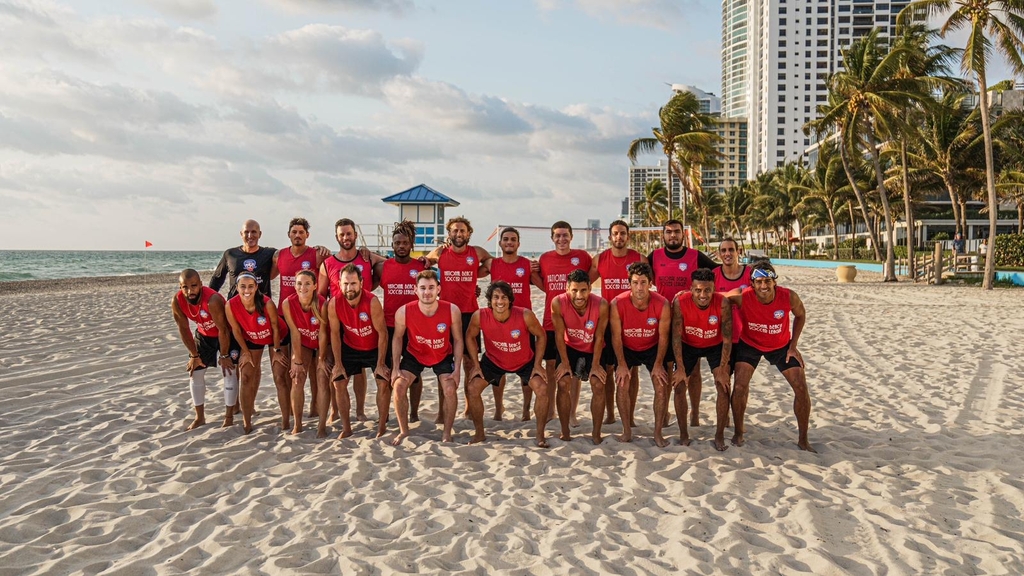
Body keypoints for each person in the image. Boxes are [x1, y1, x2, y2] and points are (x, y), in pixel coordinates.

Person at [727, 261, 815, 452]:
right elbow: (716, 297)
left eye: (767, 281)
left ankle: (803, 440)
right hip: (749, 344)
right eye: (759, 282)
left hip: (780, 346)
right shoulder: (742, 297)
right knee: (740, 386)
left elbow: (801, 315)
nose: (764, 286)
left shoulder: (789, 296)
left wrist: (793, 345)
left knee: (801, 386)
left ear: (775, 281)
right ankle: (738, 433)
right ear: (752, 283)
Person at [649, 219, 719, 426]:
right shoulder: (654, 256)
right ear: (663, 235)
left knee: (693, 371)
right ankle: (665, 414)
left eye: (677, 231)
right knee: (666, 370)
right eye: (669, 232)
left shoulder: (696, 256)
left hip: (690, 321)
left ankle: (694, 413)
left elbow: (718, 273)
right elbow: (639, 277)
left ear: (683, 234)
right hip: (664, 321)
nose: (673, 235)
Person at [464, 281, 550, 447]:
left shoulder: (525, 315)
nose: (500, 301)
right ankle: (479, 434)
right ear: (490, 300)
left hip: (524, 361)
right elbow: (469, 336)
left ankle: (540, 436)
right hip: (493, 361)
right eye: (496, 297)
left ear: (510, 300)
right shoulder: (480, 316)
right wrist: (476, 364)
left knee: (542, 388)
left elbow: (541, 335)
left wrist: (538, 364)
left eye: (504, 297)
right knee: (473, 388)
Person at [426, 217, 492, 422]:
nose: (458, 234)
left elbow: (492, 264)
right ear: (449, 234)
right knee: (444, 365)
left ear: (468, 233)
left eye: (462, 230)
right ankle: (442, 411)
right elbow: (425, 262)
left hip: (470, 315)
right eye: (455, 231)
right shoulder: (441, 252)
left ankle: (469, 408)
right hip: (446, 314)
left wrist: (475, 276)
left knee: (470, 364)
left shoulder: (476, 252)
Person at [319, 218, 386, 423]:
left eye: (349, 233)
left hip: (363, 317)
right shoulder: (328, 263)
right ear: (336, 237)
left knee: (360, 372)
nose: (346, 237)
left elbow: (388, 264)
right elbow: (321, 295)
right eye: (342, 234)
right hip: (339, 320)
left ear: (355, 235)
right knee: (336, 367)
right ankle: (335, 411)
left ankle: (360, 410)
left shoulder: (367, 257)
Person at [390, 270, 464, 445]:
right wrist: (395, 368)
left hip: (442, 354)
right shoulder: (404, 312)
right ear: (415, 290)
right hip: (415, 354)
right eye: (423, 288)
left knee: (450, 389)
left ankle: (447, 433)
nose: (427, 292)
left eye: (431, 287)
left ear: (438, 289)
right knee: (398, 387)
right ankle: (404, 431)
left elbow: (458, 339)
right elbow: (397, 338)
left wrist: (457, 369)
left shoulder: (452, 310)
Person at [534, 221, 593, 425]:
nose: (561, 239)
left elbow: (591, 276)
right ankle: (551, 410)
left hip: (576, 323)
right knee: (551, 366)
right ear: (552, 238)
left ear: (571, 236)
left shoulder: (582, 257)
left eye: (565, 235)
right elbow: (540, 281)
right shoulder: (544, 259)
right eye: (557, 235)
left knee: (574, 370)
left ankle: (571, 413)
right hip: (550, 321)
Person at [591, 219, 645, 427]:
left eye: (623, 233)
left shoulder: (639, 258)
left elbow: (650, 284)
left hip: (632, 321)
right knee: (608, 369)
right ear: (610, 236)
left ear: (628, 236)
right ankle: (610, 414)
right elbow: (582, 284)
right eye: (615, 233)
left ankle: (629, 416)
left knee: (632, 371)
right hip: (607, 321)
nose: (619, 237)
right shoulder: (600, 259)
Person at [608, 262, 670, 443]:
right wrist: (621, 364)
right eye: (635, 283)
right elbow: (616, 337)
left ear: (650, 283)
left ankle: (657, 432)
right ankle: (626, 430)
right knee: (622, 383)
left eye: (643, 282)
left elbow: (664, 337)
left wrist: (658, 364)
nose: (639, 287)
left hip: (652, 347)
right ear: (629, 284)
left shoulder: (662, 304)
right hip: (627, 347)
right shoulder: (617, 303)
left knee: (661, 385)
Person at [273, 217, 328, 420]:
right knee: (287, 368)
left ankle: (315, 408)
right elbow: (267, 276)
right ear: (289, 234)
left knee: (314, 370)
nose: (297, 235)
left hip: (310, 315)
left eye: (301, 232)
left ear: (307, 235)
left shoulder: (317, 254)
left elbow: (330, 270)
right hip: (284, 315)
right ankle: (290, 412)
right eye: (294, 232)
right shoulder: (278, 255)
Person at [373, 220, 428, 423]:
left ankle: (413, 414)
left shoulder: (421, 267)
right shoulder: (382, 267)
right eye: (397, 243)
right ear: (392, 245)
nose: (401, 246)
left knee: (415, 374)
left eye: (405, 243)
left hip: (415, 328)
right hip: (389, 326)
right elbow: (365, 287)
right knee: (387, 372)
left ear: (411, 244)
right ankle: (386, 414)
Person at [672, 268, 733, 450]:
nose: (703, 295)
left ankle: (719, 435)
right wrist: (680, 368)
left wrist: (723, 369)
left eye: (707, 290)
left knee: (723, 387)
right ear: (691, 289)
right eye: (698, 290)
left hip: (714, 345)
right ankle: (683, 433)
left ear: (714, 288)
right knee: (679, 386)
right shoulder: (680, 302)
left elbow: (727, 339)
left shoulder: (722, 303)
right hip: (688, 345)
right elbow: (676, 337)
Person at [326, 265, 390, 439]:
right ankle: (347, 428)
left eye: (353, 283)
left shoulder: (372, 301)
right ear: (339, 284)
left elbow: (383, 333)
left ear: (361, 283)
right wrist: (338, 363)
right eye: (346, 284)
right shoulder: (334, 303)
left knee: (383, 381)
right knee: (338, 382)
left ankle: (382, 426)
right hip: (351, 346)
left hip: (374, 347)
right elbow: (334, 334)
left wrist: (380, 363)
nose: (349, 288)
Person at [171, 269, 239, 430]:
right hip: (204, 335)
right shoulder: (177, 301)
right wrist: (193, 355)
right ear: (180, 287)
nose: (190, 291)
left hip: (226, 334)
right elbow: (183, 329)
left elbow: (223, 329)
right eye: (185, 287)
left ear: (201, 284)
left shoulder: (212, 300)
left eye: (194, 286)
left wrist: (224, 355)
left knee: (229, 372)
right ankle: (199, 417)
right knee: (195, 372)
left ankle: (229, 417)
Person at [224, 273, 288, 434]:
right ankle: (247, 422)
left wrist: (277, 350)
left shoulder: (267, 303)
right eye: (243, 286)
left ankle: (286, 422)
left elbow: (275, 327)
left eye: (251, 286)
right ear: (236, 287)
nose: (247, 290)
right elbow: (236, 330)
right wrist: (245, 352)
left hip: (276, 337)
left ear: (256, 287)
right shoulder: (231, 305)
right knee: (246, 377)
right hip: (252, 337)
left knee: (279, 377)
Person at [551, 269, 609, 444]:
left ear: (590, 288)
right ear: (567, 289)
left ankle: (596, 433)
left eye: (583, 290)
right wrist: (565, 363)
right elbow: (559, 335)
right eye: (574, 290)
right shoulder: (558, 303)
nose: (579, 295)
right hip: (570, 347)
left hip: (593, 347)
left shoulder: (601, 304)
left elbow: (599, 337)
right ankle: (565, 431)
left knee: (598, 384)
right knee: (563, 382)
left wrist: (596, 365)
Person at [485, 226, 535, 421]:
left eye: (513, 239)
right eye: (506, 239)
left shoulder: (527, 265)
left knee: (527, 370)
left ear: (518, 244)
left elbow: (545, 285)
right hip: (497, 322)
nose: (509, 242)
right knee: (497, 369)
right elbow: (469, 274)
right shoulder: (492, 264)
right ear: (500, 243)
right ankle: (499, 409)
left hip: (523, 323)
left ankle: (526, 410)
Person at [280, 269, 327, 435]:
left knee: (322, 378)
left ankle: (322, 426)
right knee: (297, 378)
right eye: (299, 283)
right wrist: (297, 360)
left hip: (322, 343)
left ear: (315, 286)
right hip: (304, 342)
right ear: (294, 285)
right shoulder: (288, 303)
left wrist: (321, 359)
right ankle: (297, 424)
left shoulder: (322, 303)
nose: (303, 287)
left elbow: (323, 334)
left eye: (307, 283)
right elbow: (295, 333)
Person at [210, 220, 277, 300]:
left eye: (253, 232)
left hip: (261, 305)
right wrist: (208, 299)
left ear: (260, 234)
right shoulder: (230, 254)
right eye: (246, 232)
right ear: (241, 234)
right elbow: (217, 279)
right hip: (235, 305)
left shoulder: (269, 254)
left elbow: (286, 257)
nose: (250, 235)